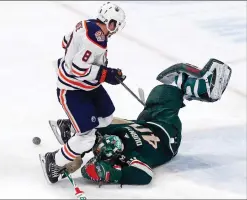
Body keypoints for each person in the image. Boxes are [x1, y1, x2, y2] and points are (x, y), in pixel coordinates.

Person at [79, 58, 232, 185]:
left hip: (145, 123)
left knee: (154, 100)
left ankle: (184, 90)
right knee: (163, 94)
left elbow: (102, 127)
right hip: (168, 135)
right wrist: (112, 175)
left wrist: (77, 133)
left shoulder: (112, 137)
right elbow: (145, 174)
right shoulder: (129, 155)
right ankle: (201, 87)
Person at [39, 2, 126, 184]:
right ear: (110, 22)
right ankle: (53, 161)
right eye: (115, 24)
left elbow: (64, 41)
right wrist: (106, 74)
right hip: (72, 90)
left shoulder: (87, 23)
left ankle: (69, 127)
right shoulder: (96, 41)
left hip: (88, 86)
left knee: (107, 116)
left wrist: (104, 72)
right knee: (87, 139)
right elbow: (79, 68)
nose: (115, 29)